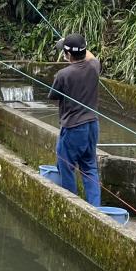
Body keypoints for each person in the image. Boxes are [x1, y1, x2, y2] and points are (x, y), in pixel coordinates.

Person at [51, 32, 102, 206]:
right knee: (89, 167)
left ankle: (72, 205)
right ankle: (95, 209)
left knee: (65, 166)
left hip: (73, 128)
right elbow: (91, 56)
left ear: (68, 54)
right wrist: (72, 45)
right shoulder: (94, 66)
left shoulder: (63, 74)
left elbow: (53, 96)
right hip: (92, 125)